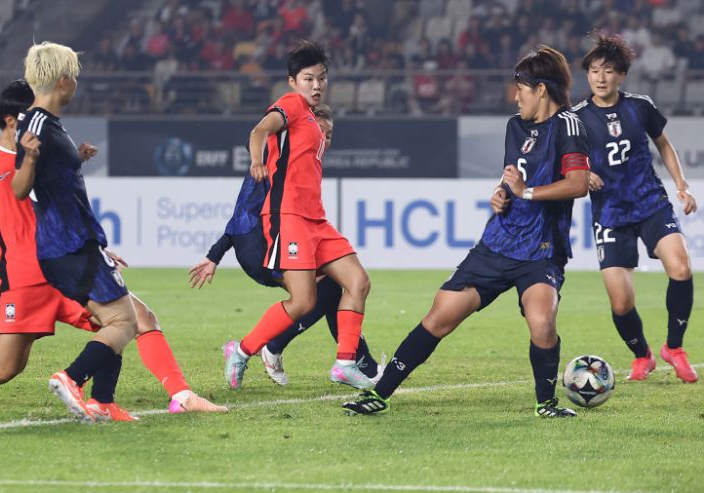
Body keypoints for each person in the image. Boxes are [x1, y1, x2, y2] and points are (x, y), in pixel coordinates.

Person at [0, 79, 226, 418]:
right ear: (11, 120)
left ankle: (171, 396)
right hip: (23, 281)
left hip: (66, 264)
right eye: (30, 111)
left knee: (135, 318)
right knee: (6, 368)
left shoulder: (46, 152)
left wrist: (93, 248)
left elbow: (66, 206)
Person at [343, 45, 590, 418]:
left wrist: (527, 192)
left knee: (542, 322)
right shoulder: (515, 126)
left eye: (521, 88)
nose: (516, 95)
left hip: (540, 252)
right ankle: (379, 394)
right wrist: (501, 193)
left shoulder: (569, 126)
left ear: (541, 89)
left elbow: (579, 183)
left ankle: (546, 404)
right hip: (496, 245)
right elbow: (512, 177)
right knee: (439, 317)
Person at [11, 42, 220, 423]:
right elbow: (20, 188)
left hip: (75, 242)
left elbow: (52, 180)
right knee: (126, 321)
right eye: (74, 77)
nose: (77, 84)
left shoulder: (47, 123)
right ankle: (71, 377)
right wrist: (30, 160)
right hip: (69, 243)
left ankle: (103, 401)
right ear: (63, 81)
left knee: (122, 318)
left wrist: (76, 159)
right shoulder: (37, 124)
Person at [219, 40, 374, 391]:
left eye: (322, 78)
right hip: (288, 216)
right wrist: (256, 161)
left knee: (358, 281)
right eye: (308, 79)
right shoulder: (291, 105)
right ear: (293, 82)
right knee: (304, 301)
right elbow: (259, 131)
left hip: (315, 219)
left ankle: (345, 364)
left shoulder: (314, 120)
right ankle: (241, 351)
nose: (316, 85)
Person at [190, 105, 383, 386]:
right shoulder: (278, 163)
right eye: (319, 131)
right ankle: (258, 349)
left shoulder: (306, 165)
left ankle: (349, 362)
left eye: (328, 135)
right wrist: (215, 254)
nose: (323, 139)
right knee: (312, 297)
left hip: (283, 238)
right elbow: (243, 215)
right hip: (259, 247)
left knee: (333, 289)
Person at [572, 33, 697, 383]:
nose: (600, 77)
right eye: (594, 71)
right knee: (621, 303)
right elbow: (565, 163)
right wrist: (584, 174)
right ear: (587, 74)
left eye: (608, 71)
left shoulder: (640, 106)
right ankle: (643, 355)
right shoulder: (576, 118)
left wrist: (682, 185)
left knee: (681, 268)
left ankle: (674, 348)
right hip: (610, 214)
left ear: (621, 75)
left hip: (650, 202)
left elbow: (664, 145)